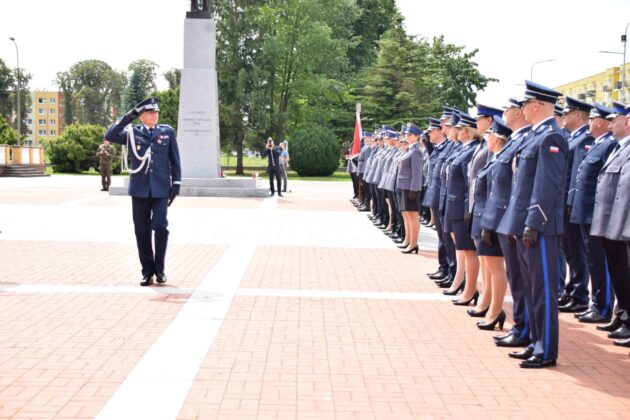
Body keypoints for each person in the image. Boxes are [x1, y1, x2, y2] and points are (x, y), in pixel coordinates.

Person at [496, 81, 567, 368]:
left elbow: (546, 187)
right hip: (526, 224)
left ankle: (546, 350)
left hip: (541, 227)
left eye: (525, 104)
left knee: (543, 291)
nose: (521, 108)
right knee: (530, 286)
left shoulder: (552, 137)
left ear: (536, 105)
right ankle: (535, 341)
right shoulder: (533, 137)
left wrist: (534, 223)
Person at [104, 97, 182, 286]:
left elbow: (175, 160)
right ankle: (148, 271)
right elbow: (110, 136)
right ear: (141, 117)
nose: (154, 115)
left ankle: (160, 269)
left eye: (156, 112)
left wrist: (176, 184)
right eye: (150, 113)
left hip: (161, 189)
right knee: (142, 231)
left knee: (160, 227)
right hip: (139, 189)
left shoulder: (167, 132)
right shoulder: (132, 132)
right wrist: (127, 118)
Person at [486, 98, 532, 349]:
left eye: (509, 109)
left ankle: (525, 329)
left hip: (517, 220)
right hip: (508, 220)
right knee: (517, 279)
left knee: (524, 281)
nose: (505, 113)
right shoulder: (517, 140)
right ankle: (521, 326)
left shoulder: (528, 139)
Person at [569, 103, 617, 324]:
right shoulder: (598, 144)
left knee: (600, 261)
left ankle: (604, 306)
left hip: (595, 213)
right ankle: (597, 303)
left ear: (599, 122)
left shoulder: (608, 145)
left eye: (592, 120)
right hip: (585, 211)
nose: (588, 124)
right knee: (592, 260)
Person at [591, 102, 630, 345]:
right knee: (618, 272)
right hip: (612, 223)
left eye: (615, 119)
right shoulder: (619, 148)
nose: (610, 123)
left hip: (624, 224)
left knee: (626, 273)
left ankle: (628, 319)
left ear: (627, 122)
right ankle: (623, 313)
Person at [472, 117, 512, 331]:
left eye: (489, 135)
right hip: (484, 218)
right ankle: (490, 307)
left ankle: (495, 310)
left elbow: (500, 196)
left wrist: (491, 224)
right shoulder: (495, 158)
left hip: (493, 221)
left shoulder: (502, 160)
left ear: (497, 137)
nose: (486, 138)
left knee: (496, 267)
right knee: (487, 264)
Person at [558, 96, 594, 314]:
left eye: (567, 113)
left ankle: (580, 294)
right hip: (563, 203)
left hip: (570, 204)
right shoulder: (573, 138)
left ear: (578, 115)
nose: (564, 116)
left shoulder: (583, 139)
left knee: (577, 251)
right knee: (569, 250)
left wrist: (570, 201)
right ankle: (572, 290)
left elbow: (577, 176)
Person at [443, 114, 480, 304]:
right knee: (459, 245)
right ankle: (460, 280)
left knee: (468, 249)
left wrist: (468, 208)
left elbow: (470, 183)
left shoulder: (471, 150)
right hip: (453, 202)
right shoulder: (462, 149)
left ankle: (470, 289)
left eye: (460, 129)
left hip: (462, 205)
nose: (456, 132)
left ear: (467, 131)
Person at [396, 123, 424, 254]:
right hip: (404, 186)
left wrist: (414, 189)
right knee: (406, 214)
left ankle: (413, 244)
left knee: (412, 216)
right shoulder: (409, 150)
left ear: (417, 137)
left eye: (410, 134)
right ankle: (407, 240)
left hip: (410, 188)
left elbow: (417, 173)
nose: (407, 136)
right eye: (406, 134)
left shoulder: (416, 151)